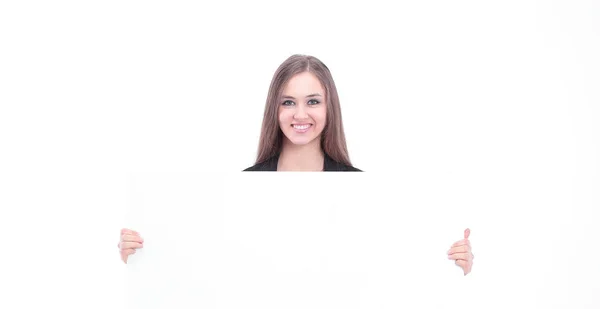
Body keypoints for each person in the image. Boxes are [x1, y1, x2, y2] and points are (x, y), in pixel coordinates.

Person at [117, 54, 475, 275]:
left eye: (313, 101)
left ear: (329, 108)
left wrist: (450, 263)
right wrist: (143, 254)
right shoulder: (238, 190)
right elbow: (204, 262)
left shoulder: (365, 192)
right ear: (275, 109)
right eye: (288, 102)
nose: (300, 114)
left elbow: (389, 261)